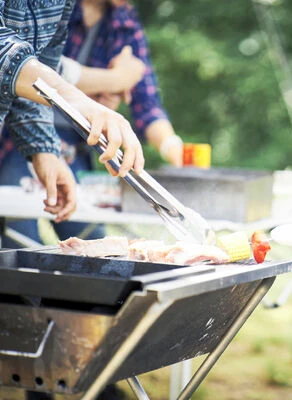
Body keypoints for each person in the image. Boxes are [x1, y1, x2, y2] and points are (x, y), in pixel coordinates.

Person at [0, 0, 183, 247]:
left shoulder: (123, 22)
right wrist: (107, 83)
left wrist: (42, 148)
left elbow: (37, 63)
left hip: (63, 146)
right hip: (12, 146)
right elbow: (19, 62)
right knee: (19, 242)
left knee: (93, 244)